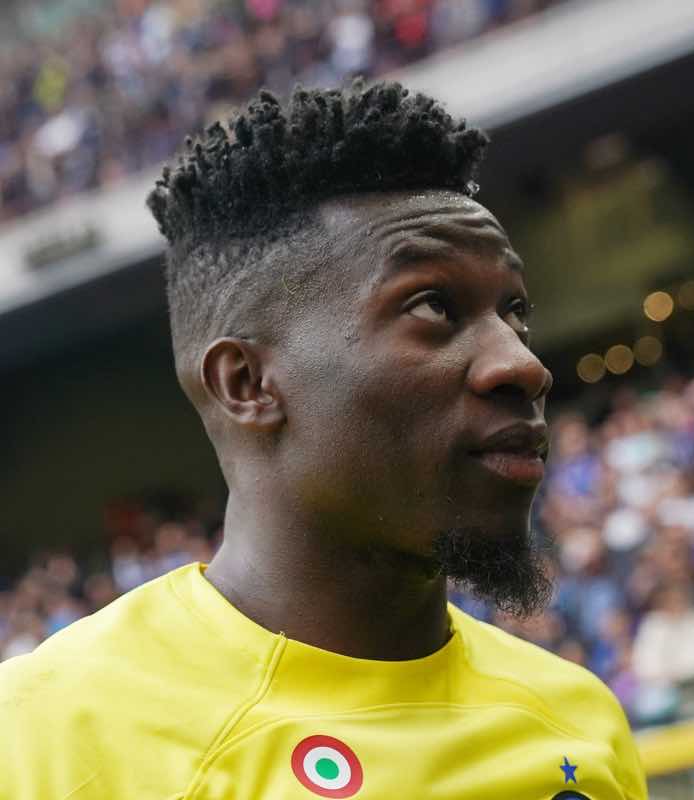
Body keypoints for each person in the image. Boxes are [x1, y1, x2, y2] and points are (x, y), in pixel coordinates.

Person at [0, 78, 647, 800]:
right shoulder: (47, 736)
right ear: (246, 384)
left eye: (515, 312)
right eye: (433, 307)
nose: (522, 364)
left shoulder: (577, 721)